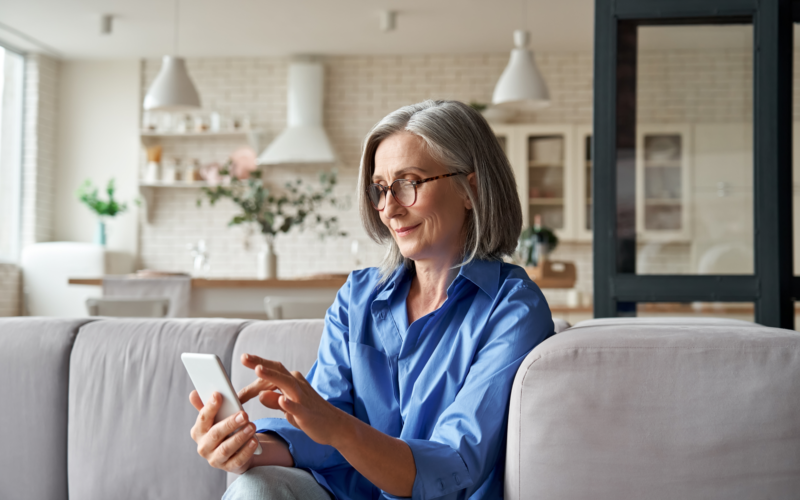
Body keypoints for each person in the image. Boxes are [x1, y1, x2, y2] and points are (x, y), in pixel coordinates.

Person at [189, 100, 555, 500]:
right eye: (380, 188)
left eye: (408, 183)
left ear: (472, 189)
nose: (389, 208)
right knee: (253, 487)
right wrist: (246, 449)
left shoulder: (513, 308)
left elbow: (455, 464)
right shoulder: (358, 297)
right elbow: (321, 432)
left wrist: (336, 425)